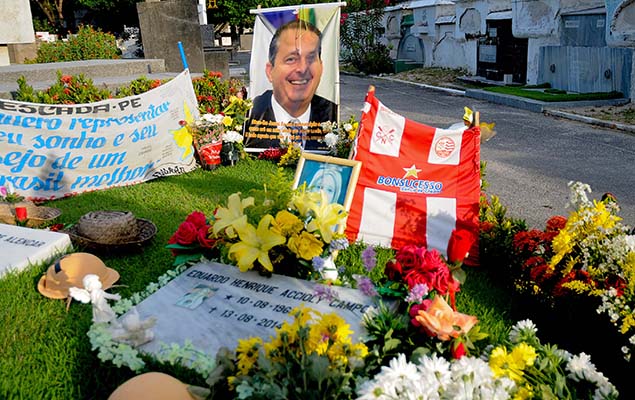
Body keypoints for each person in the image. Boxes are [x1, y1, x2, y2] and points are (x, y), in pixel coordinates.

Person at [246, 20, 338, 150]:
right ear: (270, 71)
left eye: (311, 59)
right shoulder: (251, 116)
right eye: (291, 59)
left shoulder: (332, 114)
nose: (302, 69)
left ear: (321, 67)